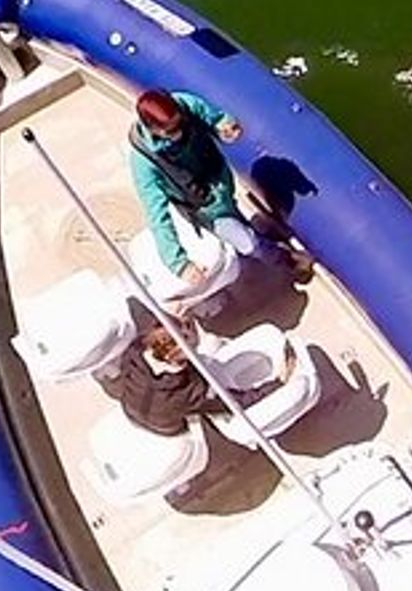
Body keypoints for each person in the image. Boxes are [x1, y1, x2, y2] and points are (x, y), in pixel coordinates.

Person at [128, 88, 309, 286]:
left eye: (181, 124)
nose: (179, 132)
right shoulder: (144, 164)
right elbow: (157, 216)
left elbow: (215, 118)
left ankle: (253, 233)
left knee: (237, 218)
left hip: (222, 183)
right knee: (249, 245)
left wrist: (226, 126)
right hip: (206, 210)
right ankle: (291, 261)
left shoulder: (186, 103)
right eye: (171, 131)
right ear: (152, 129)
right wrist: (178, 264)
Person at [108, 319, 289, 436]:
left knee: (210, 348)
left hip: (131, 408)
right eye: (187, 339)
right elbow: (236, 402)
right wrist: (279, 382)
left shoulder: (135, 351)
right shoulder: (189, 391)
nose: (191, 333)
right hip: (166, 426)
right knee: (212, 345)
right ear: (173, 356)